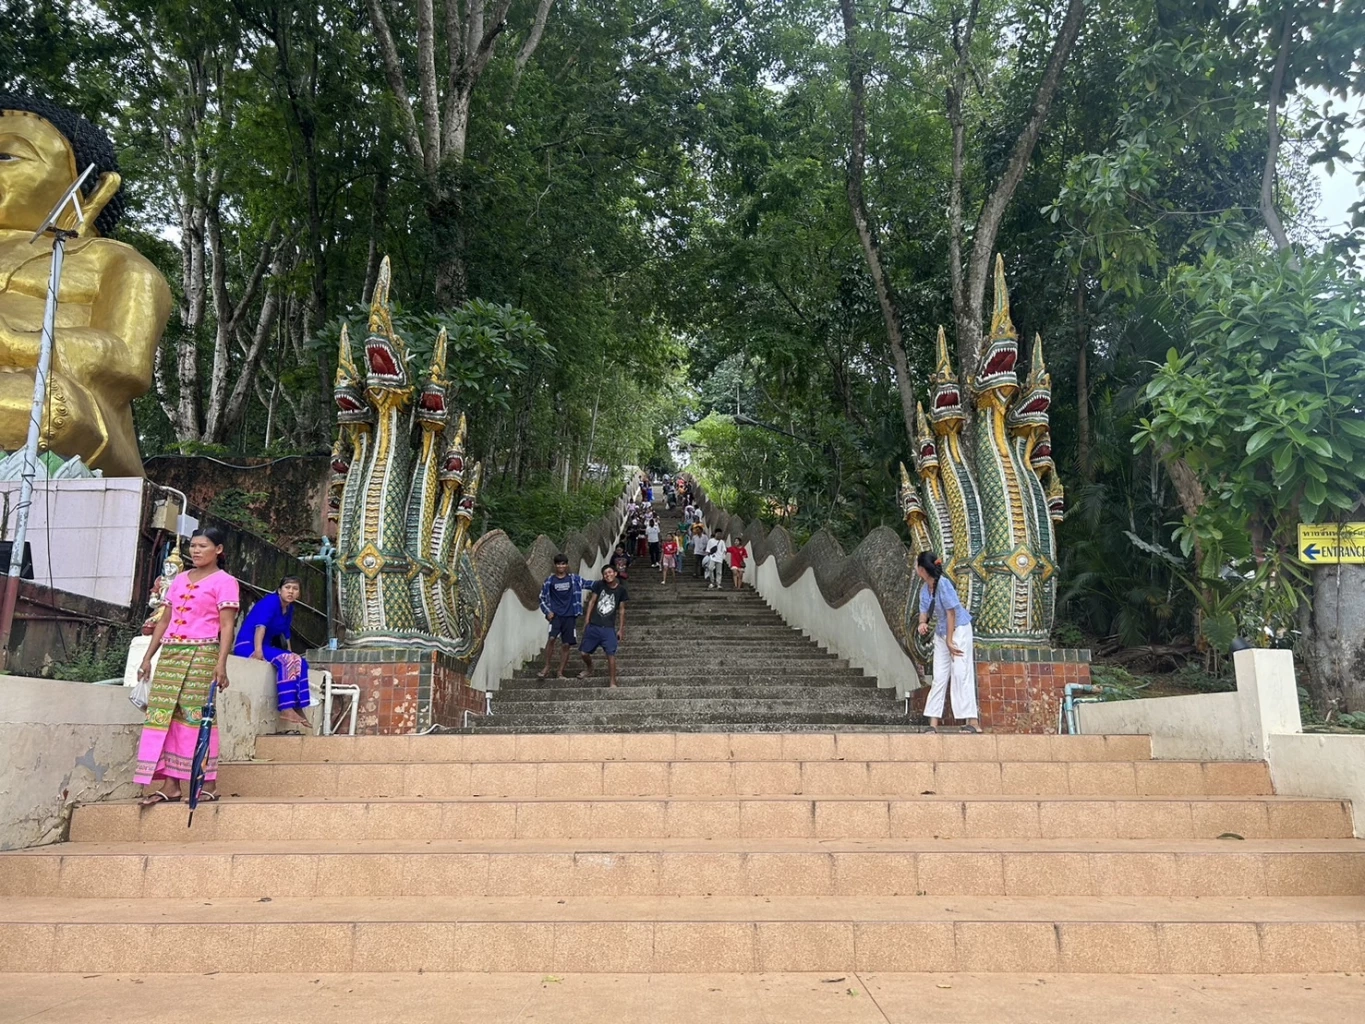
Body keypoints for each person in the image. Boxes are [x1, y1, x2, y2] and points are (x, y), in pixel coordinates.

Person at [0, 95, 172, 476]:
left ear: (96, 191)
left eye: (5, 158)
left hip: (53, 395)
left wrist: (13, 342)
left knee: (35, 403)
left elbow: (128, 363)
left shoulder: (114, 261)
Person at [134, 527, 240, 805]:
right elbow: (164, 620)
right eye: (193, 546)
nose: (195, 551)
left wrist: (221, 664)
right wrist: (148, 657)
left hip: (203, 653)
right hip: (171, 654)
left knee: (198, 716)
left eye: (203, 546)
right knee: (165, 716)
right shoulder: (180, 579)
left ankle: (209, 784)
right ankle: (171, 786)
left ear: (218, 550)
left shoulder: (226, 581)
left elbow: (227, 626)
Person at [915, 551, 982, 734]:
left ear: (922, 569)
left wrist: (951, 641)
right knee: (939, 677)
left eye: (916, 565)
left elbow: (951, 613)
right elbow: (924, 611)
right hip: (942, 633)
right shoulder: (924, 589)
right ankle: (933, 724)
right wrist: (922, 623)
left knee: (961, 673)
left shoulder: (943, 585)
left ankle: (973, 722)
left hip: (958, 630)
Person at [233, 575, 311, 728]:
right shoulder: (271, 602)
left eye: (295, 589)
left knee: (301, 662)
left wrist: (291, 653)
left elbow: (286, 634)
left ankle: (298, 705)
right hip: (248, 645)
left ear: (299, 594)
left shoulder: (289, 609)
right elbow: (260, 627)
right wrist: (258, 651)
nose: (291, 592)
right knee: (288, 661)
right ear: (279, 590)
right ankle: (286, 708)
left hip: (265, 646)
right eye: (287, 588)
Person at [537, 553, 586, 679]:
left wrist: (606, 581)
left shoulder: (574, 579)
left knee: (566, 644)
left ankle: (560, 671)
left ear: (567, 565)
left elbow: (589, 584)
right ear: (555, 565)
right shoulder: (549, 581)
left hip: (570, 615)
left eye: (563, 563)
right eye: (559, 564)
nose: (561, 566)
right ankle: (547, 666)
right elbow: (541, 598)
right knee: (552, 639)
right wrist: (547, 611)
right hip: (556, 616)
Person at [580, 565, 628, 686]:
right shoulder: (599, 585)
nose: (608, 575)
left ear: (615, 573)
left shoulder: (621, 590)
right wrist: (586, 620)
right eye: (605, 573)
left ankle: (612, 681)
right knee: (584, 653)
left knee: (610, 654)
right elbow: (592, 602)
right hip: (595, 624)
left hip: (608, 628)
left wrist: (621, 629)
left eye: (610, 572)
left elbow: (621, 610)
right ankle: (590, 668)